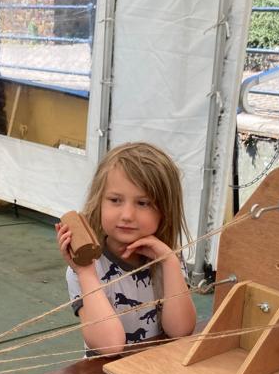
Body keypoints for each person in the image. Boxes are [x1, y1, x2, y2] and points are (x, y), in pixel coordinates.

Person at [57, 142, 196, 355]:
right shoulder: (84, 269)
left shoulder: (168, 258)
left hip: (157, 368)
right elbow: (110, 347)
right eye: (115, 200)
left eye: (143, 203)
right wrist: (86, 273)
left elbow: (180, 330)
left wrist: (169, 262)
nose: (127, 215)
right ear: (99, 202)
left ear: (165, 211)